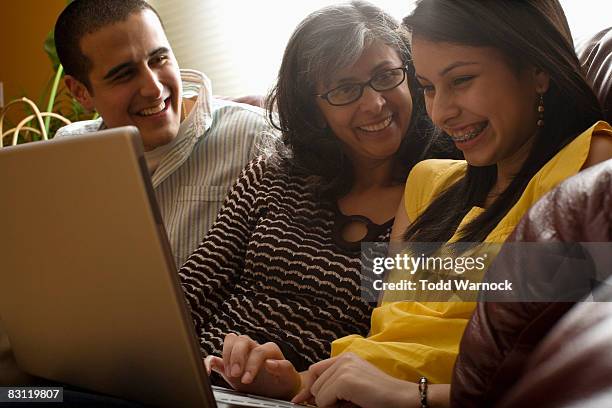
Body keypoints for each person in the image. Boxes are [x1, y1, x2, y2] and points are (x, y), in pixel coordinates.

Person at [213, 1, 612, 407]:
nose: (441, 112)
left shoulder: (592, 165)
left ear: (536, 69)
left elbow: (576, 374)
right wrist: (291, 384)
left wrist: (411, 396)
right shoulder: (427, 183)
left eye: (462, 80)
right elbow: (390, 343)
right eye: (429, 87)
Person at [177, 0, 457, 400]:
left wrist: (295, 381)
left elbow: (402, 340)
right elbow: (193, 290)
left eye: (385, 76)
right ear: (314, 108)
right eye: (345, 89)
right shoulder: (272, 175)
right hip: (203, 378)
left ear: (411, 76)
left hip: (309, 396)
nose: (375, 103)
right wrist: (184, 362)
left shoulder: (441, 192)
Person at [52, 0, 275, 268]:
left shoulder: (257, 138)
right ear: (80, 92)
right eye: (124, 74)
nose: (154, 89)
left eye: (159, 59)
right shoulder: (67, 152)